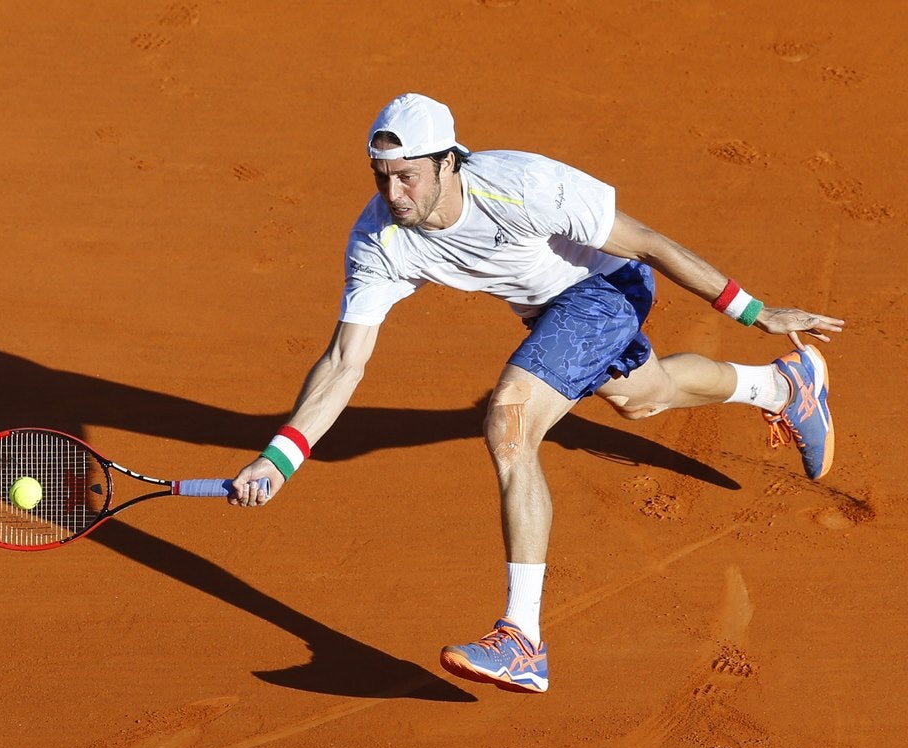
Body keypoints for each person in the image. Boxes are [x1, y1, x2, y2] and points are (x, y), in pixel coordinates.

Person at [225, 93, 843, 694]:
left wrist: (755, 311)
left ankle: (522, 638)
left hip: (607, 287)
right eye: (382, 177)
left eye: (408, 177)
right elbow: (343, 360)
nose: (393, 195)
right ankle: (783, 385)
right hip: (545, 313)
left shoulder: (522, 185)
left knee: (509, 421)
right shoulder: (380, 238)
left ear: (448, 162)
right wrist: (283, 456)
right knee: (643, 397)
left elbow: (649, 243)